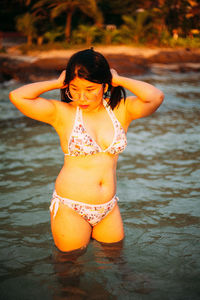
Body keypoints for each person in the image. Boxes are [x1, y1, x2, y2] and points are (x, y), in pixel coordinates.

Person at [9, 48, 164, 253]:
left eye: (90, 89)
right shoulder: (63, 113)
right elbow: (17, 96)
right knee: (70, 271)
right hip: (71, 207)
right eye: (74, 89)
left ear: (104, 85)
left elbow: (155, 97)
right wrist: (56, 83)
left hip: (108, 208)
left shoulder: (121, 110)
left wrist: (119, 79)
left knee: (117, 264)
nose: (81, 97)